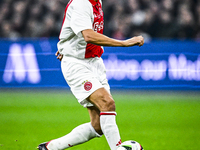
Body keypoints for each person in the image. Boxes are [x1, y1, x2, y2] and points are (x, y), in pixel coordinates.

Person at [37, 0, 144, 149]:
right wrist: (124, 43)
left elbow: (73, 28)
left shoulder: (96, 1)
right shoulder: (81, 2)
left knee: (98, 125)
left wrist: (66, 45)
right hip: (77, 63)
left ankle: (51, 147)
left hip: (94, 62)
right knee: (107, 102)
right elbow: (88, 35)